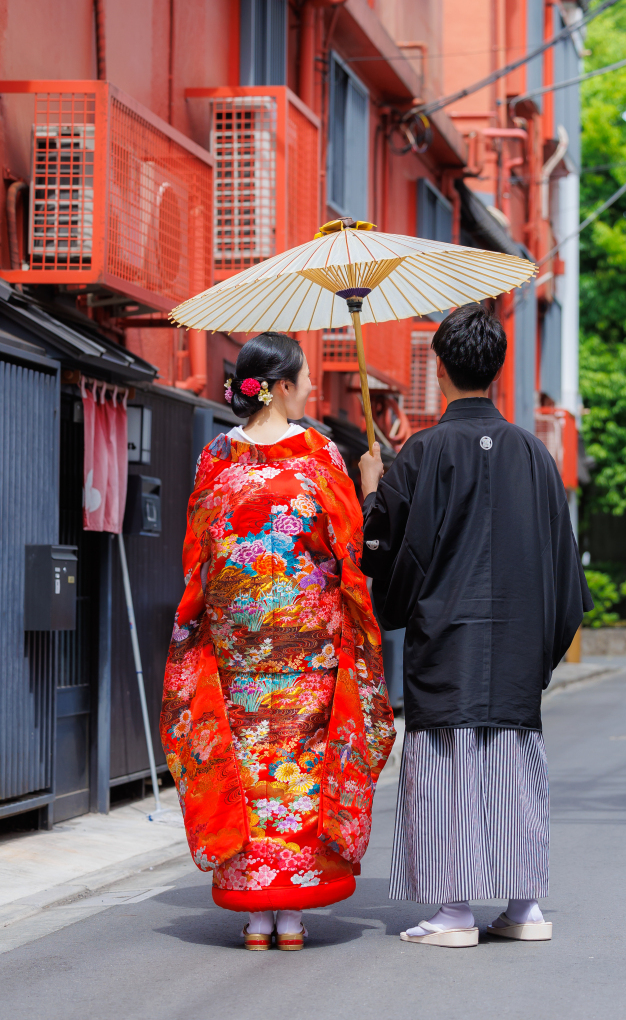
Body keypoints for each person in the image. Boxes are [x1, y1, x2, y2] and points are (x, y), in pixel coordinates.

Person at [359, 303, 592, 948]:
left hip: (449, 638)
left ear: (439, 370)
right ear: (497, 369)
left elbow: (384, 550)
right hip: (517, 643)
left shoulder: (421, 453)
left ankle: (455, 913)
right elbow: (562, 568)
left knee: (445, 774)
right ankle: (524, 909)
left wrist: (374, 490)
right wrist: (539, 648)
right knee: (515, 771)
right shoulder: (534, 455)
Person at [161, 332, 395, 951]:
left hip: (238, 653)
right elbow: (348, 549)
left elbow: (198, 555)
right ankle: (292, 914)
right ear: (283, 386)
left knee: (245, 767)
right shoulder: (320, 454)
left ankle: (256, 912)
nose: (315, 388)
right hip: (308, 652)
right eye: (307, 377)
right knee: (301, 772)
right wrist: (372, 485)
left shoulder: (216, 457)